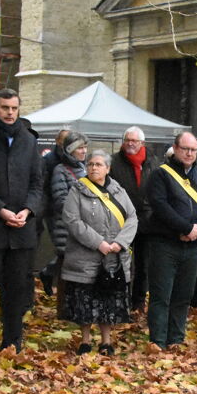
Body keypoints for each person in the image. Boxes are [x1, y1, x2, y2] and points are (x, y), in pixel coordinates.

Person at [0, 89, 44, 354]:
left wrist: (28, 210)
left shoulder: (28, 140)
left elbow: (38, 183)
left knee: (17, 291)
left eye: (14, 108)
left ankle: (12, 342)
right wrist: (1, 210)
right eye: (5, 108)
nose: (10, 113)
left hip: (23, 229)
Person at [143, 132, 197, 348]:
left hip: (193, 246)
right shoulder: (161, 175)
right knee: (161, 295)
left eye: (193, 150)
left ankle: (176, 339)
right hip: (165, 244)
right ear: (175, 148)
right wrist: (185, 227)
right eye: (185, 149)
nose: (189, 153)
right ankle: (158, 341)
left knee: (183, 296)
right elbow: (160, 205)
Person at [60, 149, 138, 355]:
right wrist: (99, 243)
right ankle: (85, 341)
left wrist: (120, 243)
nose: (94, 167)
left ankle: (106, 341)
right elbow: (72, 220)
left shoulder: (118, 190)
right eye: (91, 164)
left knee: (107, 301)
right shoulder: (77, 190)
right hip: (85, 258)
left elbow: (132, 217)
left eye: (98, 164)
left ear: (108, 168)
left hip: (113, 257)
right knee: (85, 302)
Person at [109, 126, 155, 312]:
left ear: (142, 143)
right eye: (127, 140)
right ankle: (121, 299)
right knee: (121, 262)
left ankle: (138, 301)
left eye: (134, 141)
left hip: (146, 221)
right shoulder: (113, 162)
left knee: (143, 264)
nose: (130, 144)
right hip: (122, 221)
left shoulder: (152, 162)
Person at [48, 132, 89, 312]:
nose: (84, 151)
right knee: (66, 267)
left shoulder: (86, 169)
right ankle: (64, 309)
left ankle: (77, 306)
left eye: (85, 147)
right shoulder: (60, 170)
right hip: (65, 227)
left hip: (84, 226)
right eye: (80, 147)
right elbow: (60, 200)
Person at [36, 128, 72, 295]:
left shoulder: (74, 160)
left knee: (68, 250)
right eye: (65, 140)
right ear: (58, 141)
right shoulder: (49, 160)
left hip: (70, 211)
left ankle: (49, 273)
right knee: (63, 249)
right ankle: (51, 275)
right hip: (53, 209)